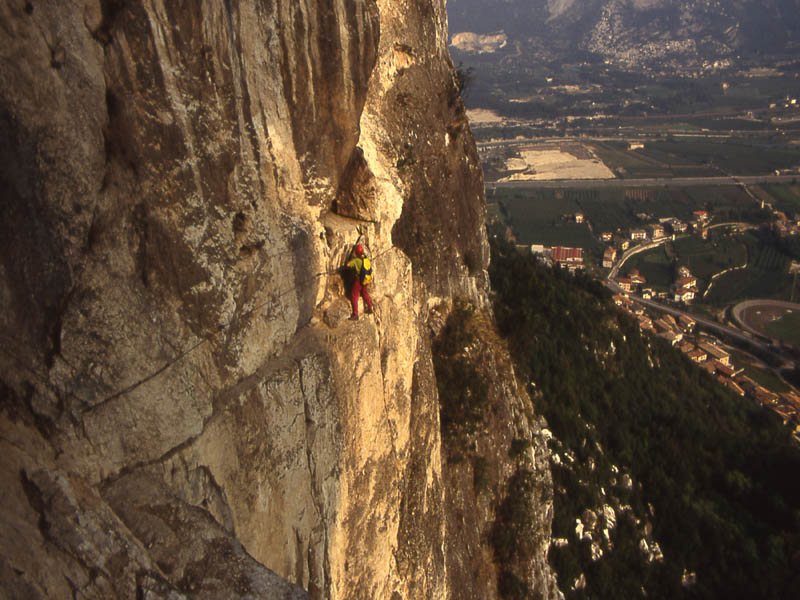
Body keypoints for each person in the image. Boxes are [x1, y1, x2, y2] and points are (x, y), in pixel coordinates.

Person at [347, 244, 373, 320]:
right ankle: (370, 307)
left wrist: (349, 262)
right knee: (365, 293)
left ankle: (355, 314)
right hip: (365, 279)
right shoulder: (366, 258)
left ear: (356, 252)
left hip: (358, 280)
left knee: (354, 295)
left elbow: (348, 265)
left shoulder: (356, 260)